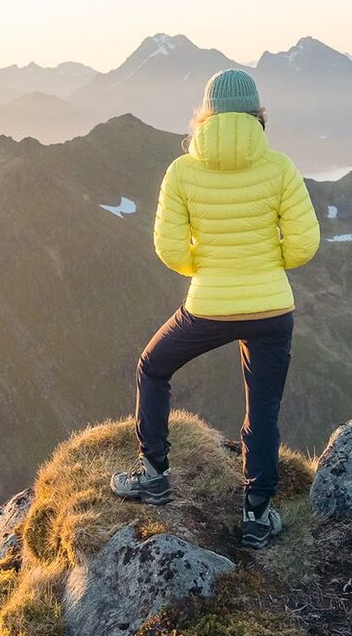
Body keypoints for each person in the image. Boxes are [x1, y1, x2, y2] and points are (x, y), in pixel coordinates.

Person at [110, 67, 320, 548]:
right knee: (262, 410)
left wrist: (206, 269)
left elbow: (169, 248)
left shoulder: (182, 171)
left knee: (153, 367)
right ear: (257, 114)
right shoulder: (280, 167)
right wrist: (267, 265)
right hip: (271, 309)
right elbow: (304, 244)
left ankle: (154, 474)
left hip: (207, 306)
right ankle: (257, 516)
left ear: (205, 114)